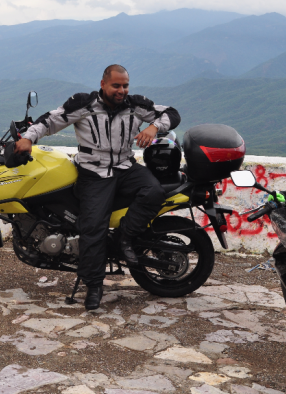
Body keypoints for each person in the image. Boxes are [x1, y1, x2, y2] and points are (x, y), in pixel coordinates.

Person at [14, 64, 181, 310]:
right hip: (94, 173)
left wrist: (154, 126)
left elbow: (171, 113)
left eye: (125, 85)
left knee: (154, 191)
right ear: (103, 84)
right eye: (116, 85)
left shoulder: (136, 105)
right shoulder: (83, 104)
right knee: (93, 227)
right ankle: (94, 286)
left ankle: (125, 238)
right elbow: (50, 121)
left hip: (126, 168)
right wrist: (28, 137)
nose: (121, 90)